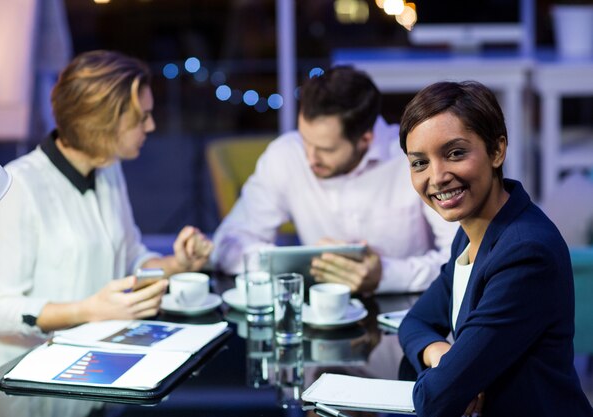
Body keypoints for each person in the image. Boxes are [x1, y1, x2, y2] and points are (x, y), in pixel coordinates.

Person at [0, 50, 213, 376]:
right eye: (141, 118)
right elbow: (0, 309)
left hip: (88, 365)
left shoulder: (107, 168)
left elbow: (130, 258)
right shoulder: (19, 187)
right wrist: (89, 310)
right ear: (101, 123)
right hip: (18, 374)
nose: (151, 126)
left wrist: (177, 264)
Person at [397, 80, 593, 416]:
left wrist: (451, 378)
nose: (437, 176)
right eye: (420, 163)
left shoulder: (525, 252)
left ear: (497, 150)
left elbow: (437, 397)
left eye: (455, 153)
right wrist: (441, 355)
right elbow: (413, 323)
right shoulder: (471, 232)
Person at [211, 66, 457, 294]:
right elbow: (228, 245)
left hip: (412, 313)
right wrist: (293, 266)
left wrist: (386, 275)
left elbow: (462, 259)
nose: (310, 158)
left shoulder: (413, 159)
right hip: (318, 315)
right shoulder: (286, 155)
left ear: (366, 139)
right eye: (305, 141)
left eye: (326, 150)